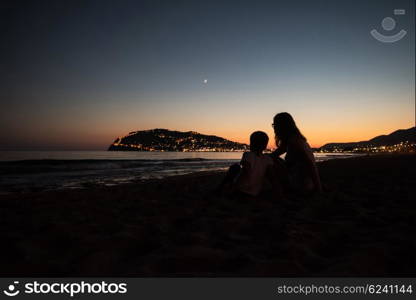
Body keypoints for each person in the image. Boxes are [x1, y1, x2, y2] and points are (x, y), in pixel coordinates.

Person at [270, 112, 322, 194]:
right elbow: (274, 155)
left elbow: (311, 165)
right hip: (303, 182)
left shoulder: (294, 142)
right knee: (271, 160)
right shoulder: (293, 140)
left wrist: (319, 189)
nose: (274, 127)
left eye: (275, 125)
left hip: (302, 185)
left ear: (282, 126)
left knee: (271, 163)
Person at [218, 131, 276, 197]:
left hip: (242, 190)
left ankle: (219, 188)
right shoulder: (268, 159)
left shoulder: (248, 155)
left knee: (235, 167)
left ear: (252, 144)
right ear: (265, 146)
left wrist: (234, 186)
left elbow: (244, 172)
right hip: (255, 192)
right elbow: (272, 177)